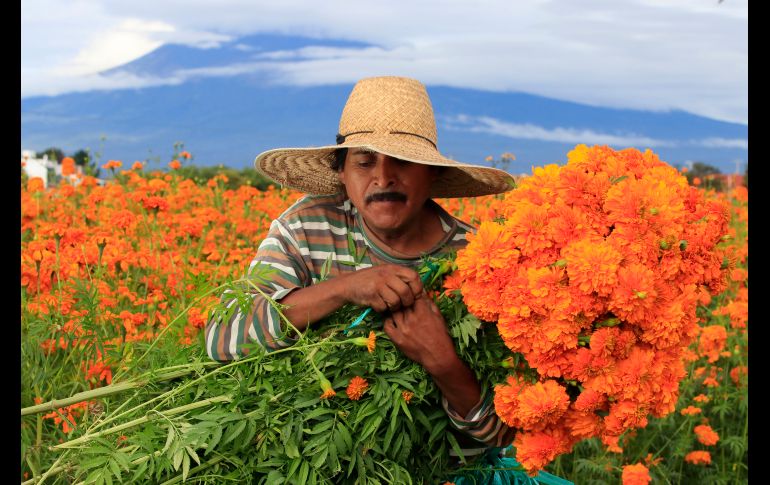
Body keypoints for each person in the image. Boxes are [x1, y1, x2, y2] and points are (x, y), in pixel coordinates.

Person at [204, 76, 517, 457]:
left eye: (402, 161)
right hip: (308, 460)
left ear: (432, 172)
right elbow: (223, 338)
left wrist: (443, 361)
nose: (383, 178)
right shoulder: (306, 226)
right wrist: (344, 288)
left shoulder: (477, 260)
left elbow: (501, 436)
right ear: (341, 173)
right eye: (365, 162)